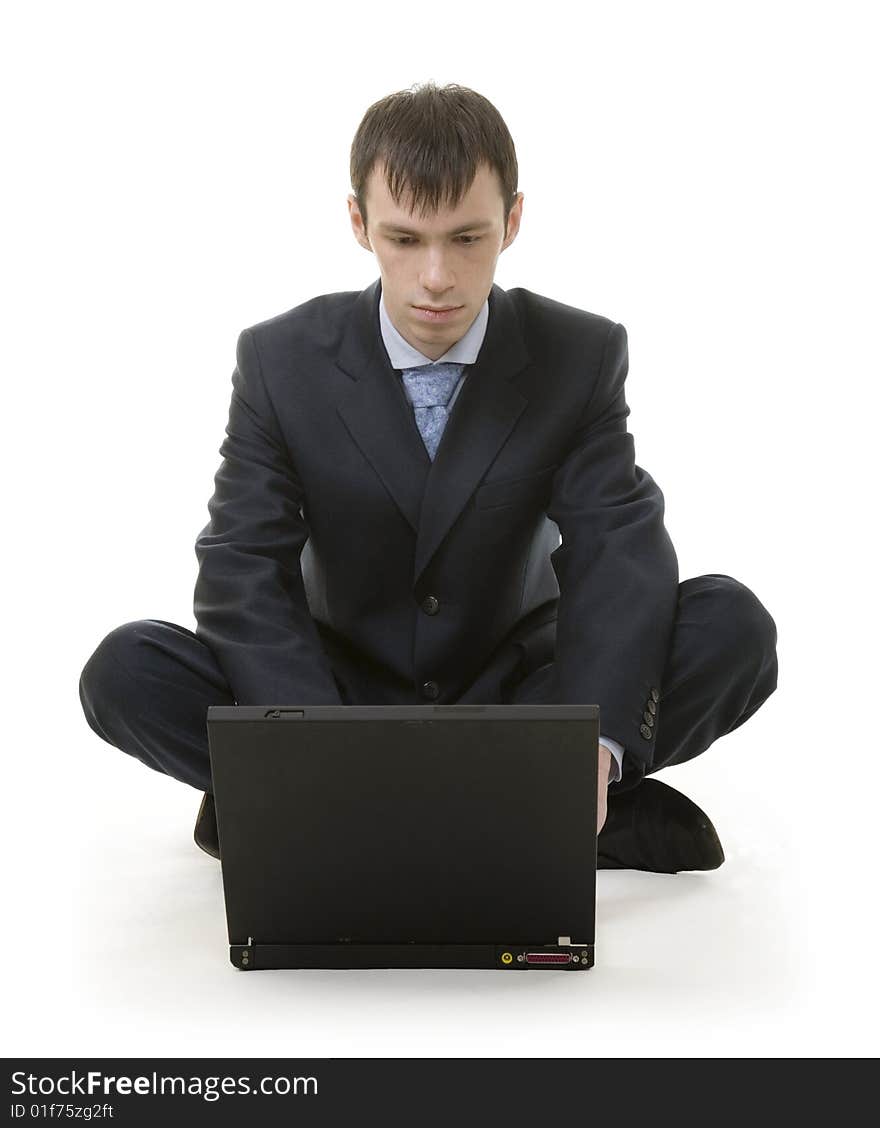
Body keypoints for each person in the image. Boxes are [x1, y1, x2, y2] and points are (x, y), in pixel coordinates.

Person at [78, 82, 778, 870]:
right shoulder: (280, 361)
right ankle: (523, 818)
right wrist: (306, 746)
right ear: (358, 224)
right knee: (124, 671)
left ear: (513, 222)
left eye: (468, 238)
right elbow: (244, 562)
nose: (436, 277)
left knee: (735, 628)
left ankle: (374, 811)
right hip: (338, 695)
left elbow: (618, 548)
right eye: (404, 240)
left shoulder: (578, 356)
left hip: (517, 695)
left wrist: (592, 746)